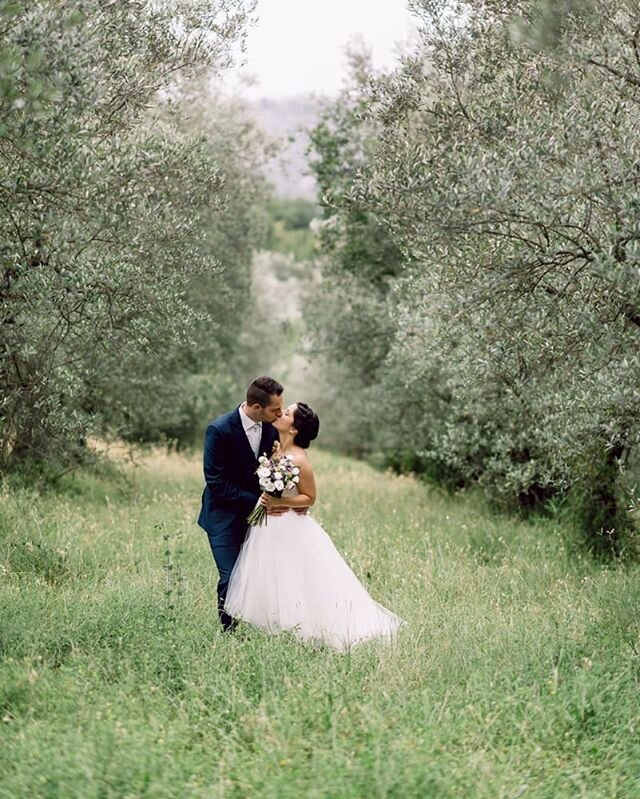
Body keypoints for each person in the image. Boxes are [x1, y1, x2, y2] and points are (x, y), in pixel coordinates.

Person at [224, 402, 404, 651]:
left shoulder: (299, 458)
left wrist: (279, 501)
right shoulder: (276, 449)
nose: (281, 413)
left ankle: (305, 629)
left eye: (287, 413)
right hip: (268, 528)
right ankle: (276, 629)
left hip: (289, 528)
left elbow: (309, 498)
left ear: (295, 429)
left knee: (294, 578)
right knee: (272, 576)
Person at [198, 376, 302, 631]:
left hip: (258, 518)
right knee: (231, 576)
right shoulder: (219, 429)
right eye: (275, 410)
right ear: (256, 407)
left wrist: (285, 497)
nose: (280, 414)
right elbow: (215, 481)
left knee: (257, 574)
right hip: (222, 515)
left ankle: (262, 624)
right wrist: (256, 500)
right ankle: (229, 632)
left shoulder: (270, 430)